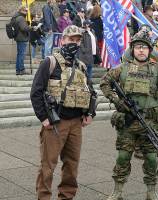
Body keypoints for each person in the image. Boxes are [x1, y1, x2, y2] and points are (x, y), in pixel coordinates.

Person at [100, 31, 158, 200]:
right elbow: (104, 82)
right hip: (128, 122)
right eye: (138, 47)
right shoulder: (123, 68)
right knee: (123, 157)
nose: (141, 50)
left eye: (144, 47)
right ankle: (117, 191)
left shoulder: (157, 69)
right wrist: (117, 101)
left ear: (150, 50)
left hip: (150, 122)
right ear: (132, 49)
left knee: (151, 158)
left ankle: (151, 192)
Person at [30, 25, 96, 200]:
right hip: (55, 123)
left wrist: (89, 113)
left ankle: (66, 196)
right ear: (62, 40)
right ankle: (43, 197)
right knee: (48, 165)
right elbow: (36, 91)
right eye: (70, 39)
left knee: (71, 165)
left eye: (77, 40)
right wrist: (44, 117)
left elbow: (91, 91)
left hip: (76, 123)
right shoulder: (49, 62)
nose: (74, 43)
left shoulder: (80, 66)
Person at [13, 5, 31, 75]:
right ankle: (21, 70)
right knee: (21, 55)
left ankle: (18, 70)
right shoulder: (21, 18)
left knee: (19, 54)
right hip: (22, 38)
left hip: (19, 38)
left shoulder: (17, 16)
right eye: (25, 11)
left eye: (27, 11)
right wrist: (30, 28)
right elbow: (24, 28)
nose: (26, 12)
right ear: (21, 10)